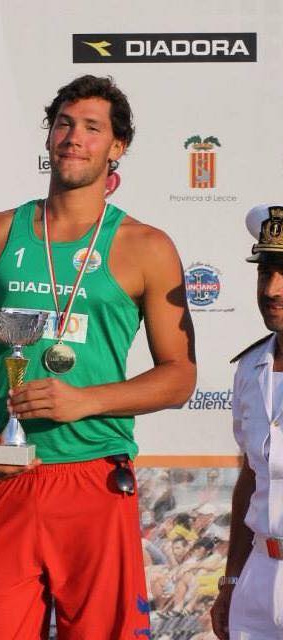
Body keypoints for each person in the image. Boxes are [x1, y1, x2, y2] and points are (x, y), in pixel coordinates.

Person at [0, 74, 196, 639]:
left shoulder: (145, 247)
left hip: (93, 477)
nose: (73, 138)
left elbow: (180, 377)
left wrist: (85, 401)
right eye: (64, 124)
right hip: (5, 476)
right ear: (49, 136)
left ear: (116, 147)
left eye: (91, 128)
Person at [211, 203, 283, 639]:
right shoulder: (250, 367)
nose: (272, 289)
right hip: (258, 576)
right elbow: (250, 478)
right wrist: (232, 579)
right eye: (265, 273)